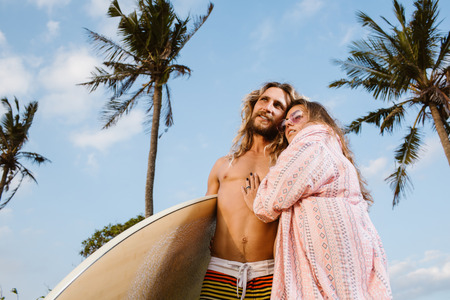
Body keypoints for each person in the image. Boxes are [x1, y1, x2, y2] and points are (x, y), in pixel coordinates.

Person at [242, 98, 393, 299]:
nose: (288, 124)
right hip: (353, 251)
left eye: (296, 117)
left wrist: (256, 201)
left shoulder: (311, 143)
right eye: (284, 122)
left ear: (317, 119)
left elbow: (269, 202)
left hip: (331, 255)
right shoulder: (333, 150)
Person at [199, 82, 299, 300]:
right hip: (219, 273)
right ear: (254, 106)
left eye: (278, 105)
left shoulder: (286, 165)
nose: (268, 107)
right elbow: (201, 220)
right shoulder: (223, 165)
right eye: (264, 100)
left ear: (284, 118)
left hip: (269, 276)